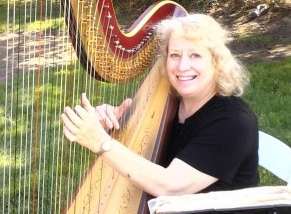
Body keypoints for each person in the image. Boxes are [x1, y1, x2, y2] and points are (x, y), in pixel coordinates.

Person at [61, 13, 259, 197]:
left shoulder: (234, 121)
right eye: (175, 55)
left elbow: (169, 185)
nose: (182, 66)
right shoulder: (168, 105)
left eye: (195, 55)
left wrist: (101, 142)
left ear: (216, 62)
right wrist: (108, 125)